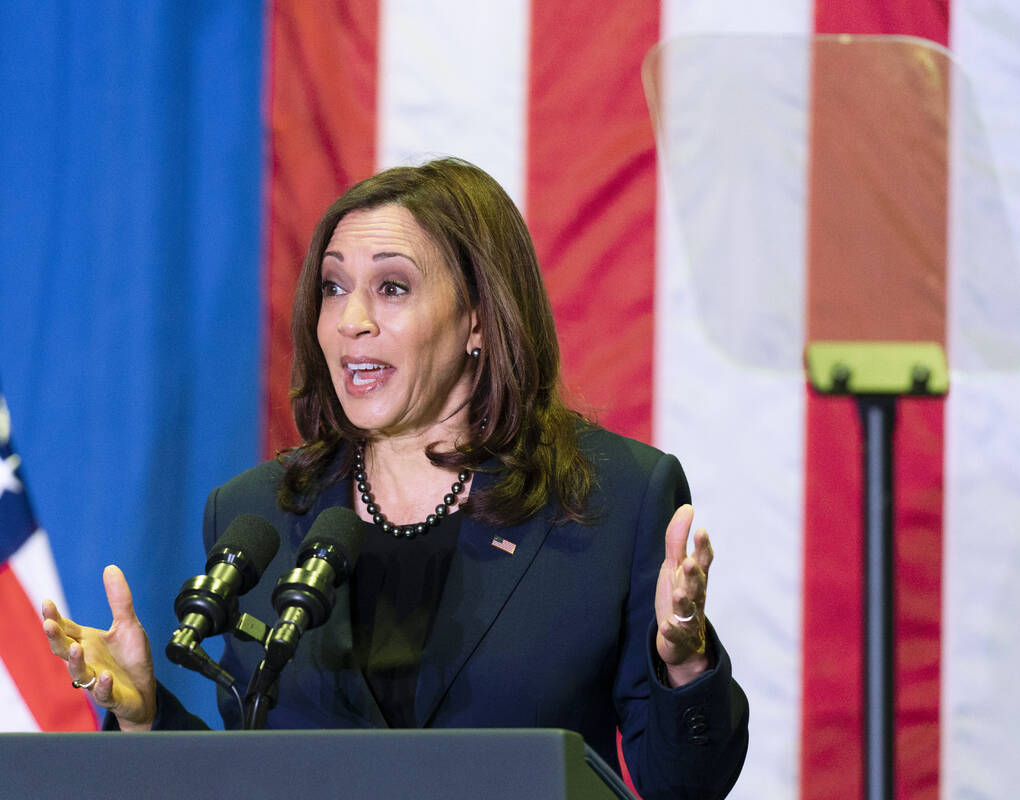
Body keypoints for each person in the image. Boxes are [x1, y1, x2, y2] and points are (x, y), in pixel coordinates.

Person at [42, 158, 748, 799]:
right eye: (333, 286)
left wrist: (682, 661)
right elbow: (249, 779)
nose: (351, 320)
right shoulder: (256, 514)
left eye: (391, 287)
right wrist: (143, 716)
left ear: (477, 317)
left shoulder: (612, 499)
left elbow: (684, 788)